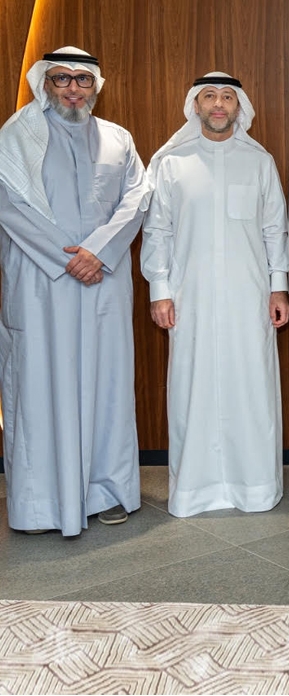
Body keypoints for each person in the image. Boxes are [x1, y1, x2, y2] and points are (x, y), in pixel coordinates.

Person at [0, 46, 150, 535]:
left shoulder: (118, 139)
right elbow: (10, 205)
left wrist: (97, 252)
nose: (72, 88)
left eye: (82, 79)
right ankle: (42, 503)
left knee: (107, 386)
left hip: (104, 281)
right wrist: (68, 259)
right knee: (42, 386)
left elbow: (137, 198)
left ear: (95, 86)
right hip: (42, 284)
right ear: (44, 82)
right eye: (61, 78)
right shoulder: (17, 137)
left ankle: (107, 491)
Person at [142, 73, 289, 517]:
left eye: (227, 97)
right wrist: (160, 291)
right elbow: (158, 231)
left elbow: (275, 229)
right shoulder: (172, 163)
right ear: (196, 105)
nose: (219, 104)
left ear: (239, 107)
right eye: (210, 96)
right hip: (191, 299)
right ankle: (195, 490)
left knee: (251, 388)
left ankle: (255, 487)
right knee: (193, 388)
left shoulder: (259, 162)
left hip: (250, 299)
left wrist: (279, 288)